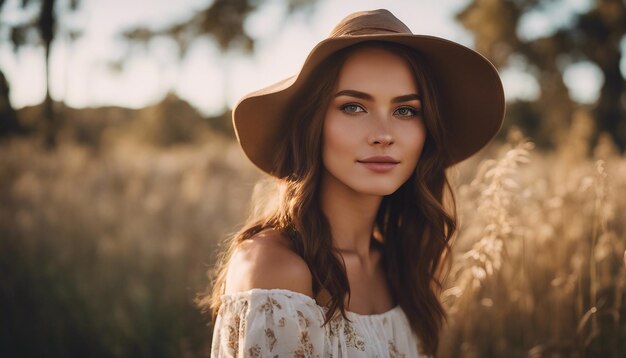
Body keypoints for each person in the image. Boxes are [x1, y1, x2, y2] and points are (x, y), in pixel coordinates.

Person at [199, 9, 505, 357]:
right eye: (354, 107)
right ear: (313, 123)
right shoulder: (276, 268)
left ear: (426, 132)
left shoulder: (401, 262)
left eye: (405, 111)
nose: (383, 135)